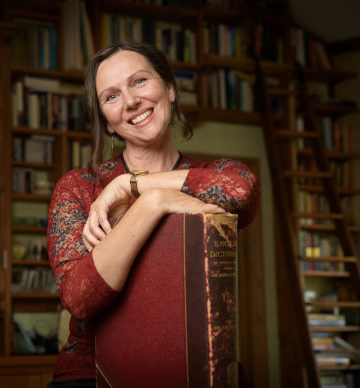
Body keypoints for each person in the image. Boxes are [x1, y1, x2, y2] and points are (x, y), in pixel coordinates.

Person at [46, 41, 260, 386]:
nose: (130, 101)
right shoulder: (79, 188)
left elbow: (241, 191)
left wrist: (129, 187)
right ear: (109, 124)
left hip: (196, 365)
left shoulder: (216, 173)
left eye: (139, 81)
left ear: (170, 90)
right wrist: (152, 204)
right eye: (111, 96)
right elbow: (79, 298)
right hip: (94, 374)